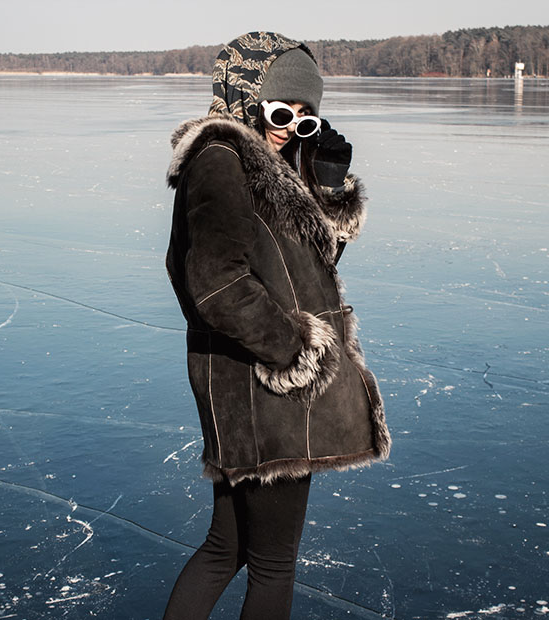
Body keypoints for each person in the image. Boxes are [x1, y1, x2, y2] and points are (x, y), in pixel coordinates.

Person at [163, 32, 391, 619]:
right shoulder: (220, 160)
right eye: (281, 110)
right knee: (272, 564)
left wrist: (331, 190)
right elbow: (216, 284)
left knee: (228, 547)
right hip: (266, 394)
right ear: (246, 95)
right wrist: (295, 352)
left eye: (306, 117)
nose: (291, 126)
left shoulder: (257, 164)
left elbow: (302, 271)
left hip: (250, 390)